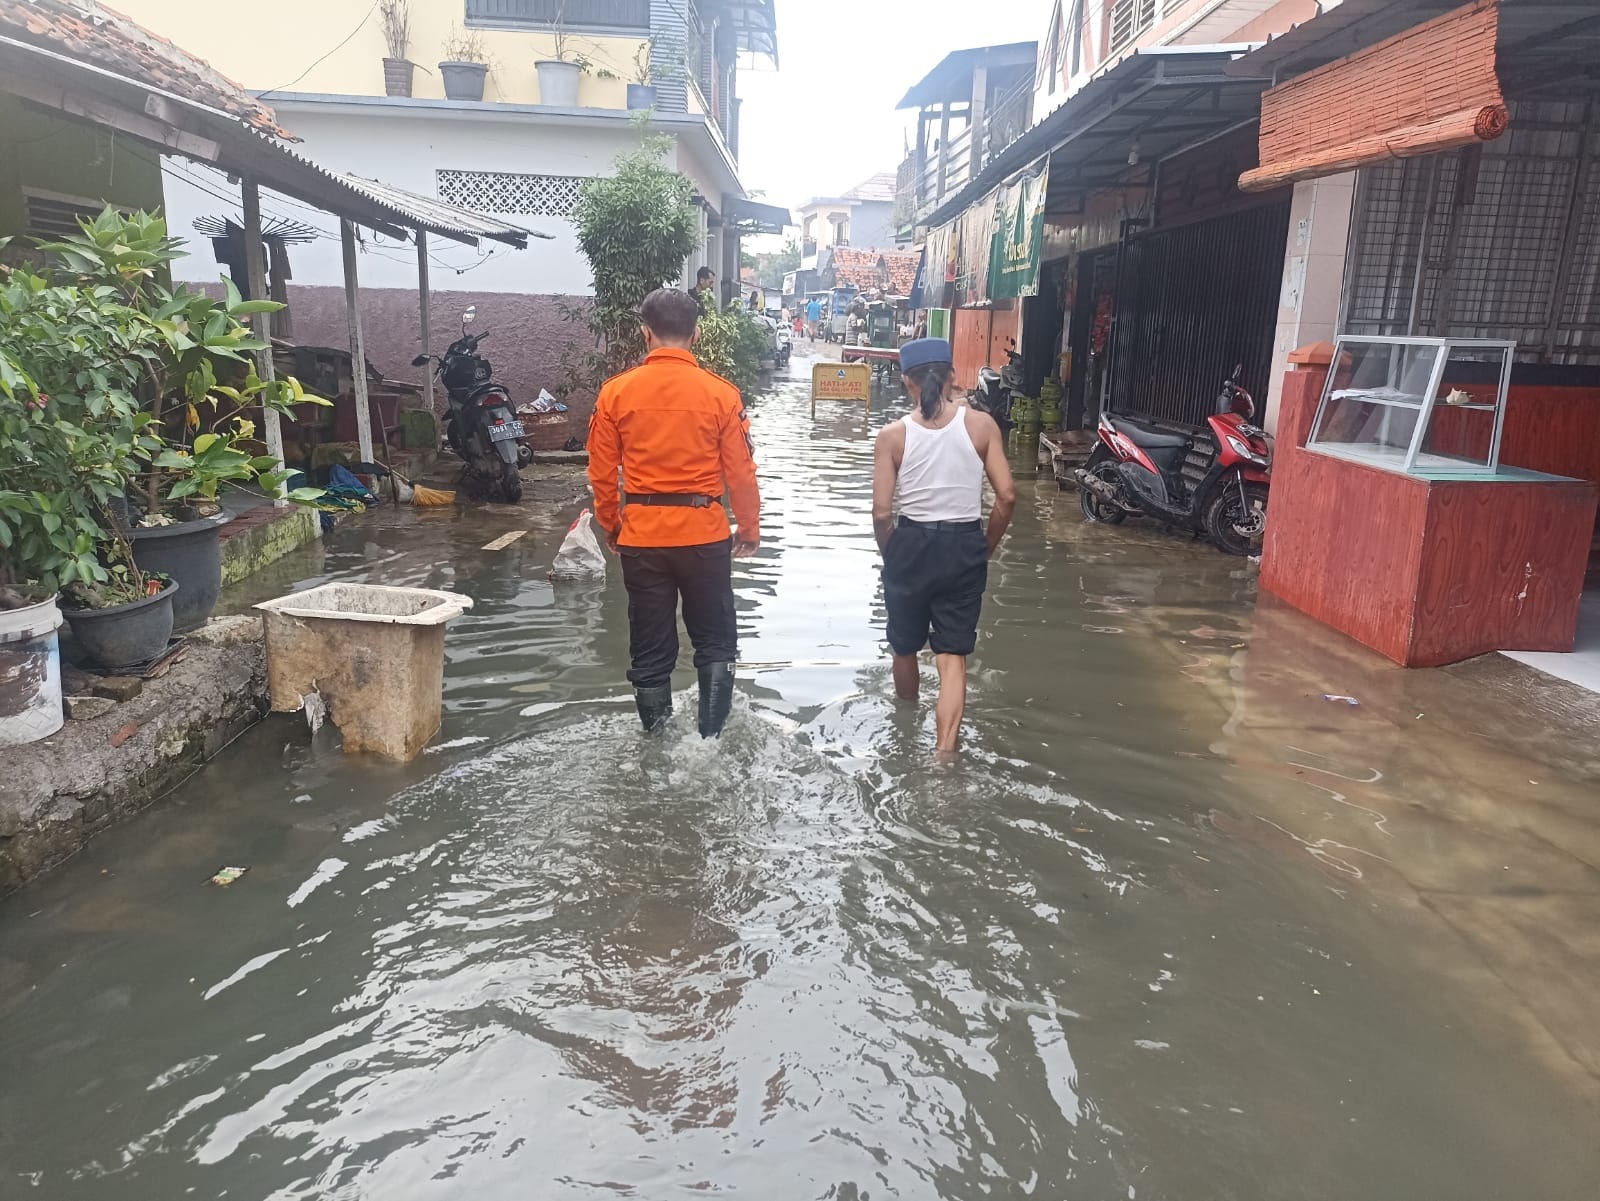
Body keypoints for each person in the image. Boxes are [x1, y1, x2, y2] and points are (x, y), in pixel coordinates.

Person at [588, 288, 761, 738]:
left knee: (649, 651)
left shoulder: (615, 394)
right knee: (716, 643)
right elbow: (741, 471)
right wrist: (748, 526)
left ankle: (657, 747)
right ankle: (710, 744)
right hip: (704, 536)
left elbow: (602, 474)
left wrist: (611, 524)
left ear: (645, 333)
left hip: (642, 539)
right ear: (696, 334)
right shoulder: (721, 395)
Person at [872, 338, 1015, 754]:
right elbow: (1006, 497)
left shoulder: (892, 436)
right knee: (952, 657)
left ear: (906, 383)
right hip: (964, 544)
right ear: (953, 376)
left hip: (910, 545)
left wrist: (895, 557)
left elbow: (882, 515)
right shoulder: (982, 425)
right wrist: (983, 547)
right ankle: (944, 755)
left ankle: (904, 734)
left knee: (904, 647)